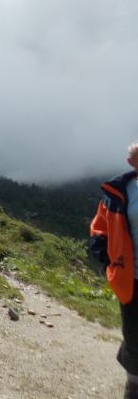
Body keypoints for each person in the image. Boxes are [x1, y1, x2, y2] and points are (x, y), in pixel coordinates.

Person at [91, 142, 138, 398]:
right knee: (133, 333)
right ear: (132, 163)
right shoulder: (118, 192)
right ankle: (133, 384)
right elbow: (100, 228)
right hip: (132, 278)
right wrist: (107, 260)